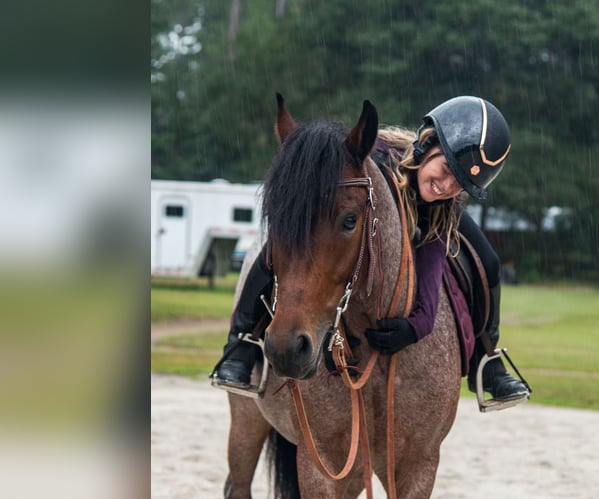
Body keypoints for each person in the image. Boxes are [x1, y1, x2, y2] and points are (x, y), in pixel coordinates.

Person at [212, 95, 529, 404]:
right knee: (281, 246)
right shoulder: (376, 156)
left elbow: (432, 263)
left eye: (460, 184)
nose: (447, 186)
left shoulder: (443, 202)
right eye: (446, 170)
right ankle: (241, 343)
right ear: (427, 144)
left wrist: (416, 326)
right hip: (345, 213)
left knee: (488, 260)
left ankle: (487, 360)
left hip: (428, 222)